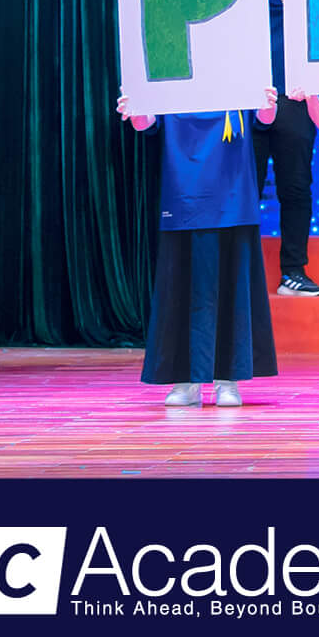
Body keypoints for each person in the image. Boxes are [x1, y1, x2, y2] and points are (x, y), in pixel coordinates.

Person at [203, 0, 319, 297]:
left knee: (296, 188)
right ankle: (238, 274)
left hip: (295, 102)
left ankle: (293, 271)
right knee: (244, 188)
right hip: (247, 99)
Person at [122, 87, 281, 408]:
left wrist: (269, 103)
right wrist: (134, 110)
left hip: (232, 196)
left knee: (232, 289)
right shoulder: (173, 73)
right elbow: (146, 124)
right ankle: (186, 380)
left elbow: (265, 120)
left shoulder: (238, 72)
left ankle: (228, 379)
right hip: (185, 195)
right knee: (183, 290)